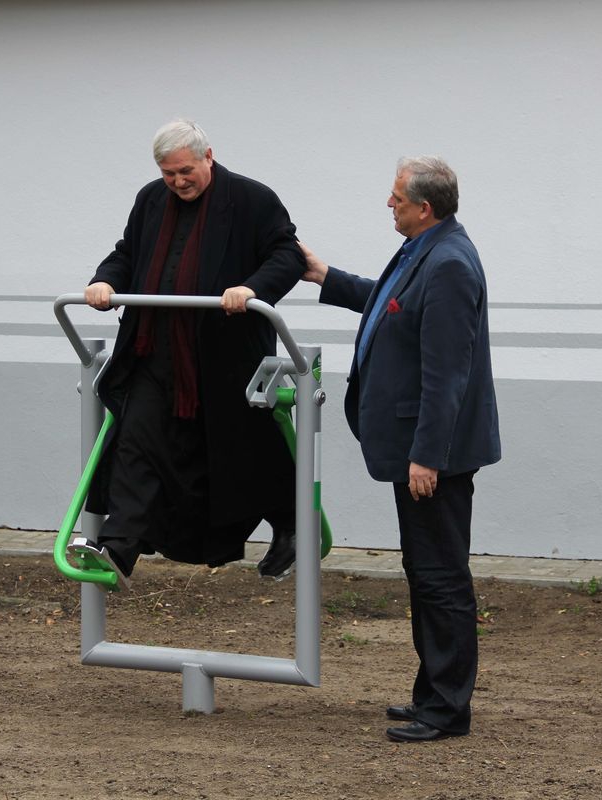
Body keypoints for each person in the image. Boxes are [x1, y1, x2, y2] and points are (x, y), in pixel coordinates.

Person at [299, 156, 500, 742]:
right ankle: (432, 694)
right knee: (425, 571)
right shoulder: (426, 250)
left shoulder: (450, 265)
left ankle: (447, 709)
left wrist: (427, 455)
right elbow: (389, 302)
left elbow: (447, 374)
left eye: (395, 197)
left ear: (424, 206)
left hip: (434, 455)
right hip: (419, 447)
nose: (388, 204)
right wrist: (325, 276)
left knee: (440, 577)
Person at [71, 119, 304, 589]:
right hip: (154, 349)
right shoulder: (150, 200)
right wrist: (105, 281)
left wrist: (251, 288)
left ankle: (292, 526)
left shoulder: (251, 199)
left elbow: (288, 256)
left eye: (185, 171)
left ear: (208, 157)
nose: (178, 181)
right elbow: (127, 254)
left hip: (224, 356)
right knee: (136, 441)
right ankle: (118, 549)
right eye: (168, 173)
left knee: (248, 453)